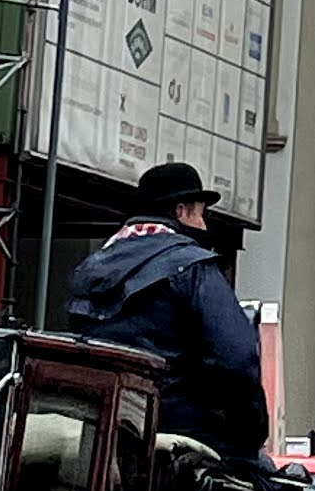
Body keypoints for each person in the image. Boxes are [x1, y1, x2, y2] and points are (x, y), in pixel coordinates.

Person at [63, 162, 269, 460]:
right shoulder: (192, 267)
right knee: (271, 484)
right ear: (181, 211)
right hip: (179, 426)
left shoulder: (91, 269)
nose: (204, 226)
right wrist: (252, 434)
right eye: (201, 214)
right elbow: (236, 361)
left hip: (101, 428)